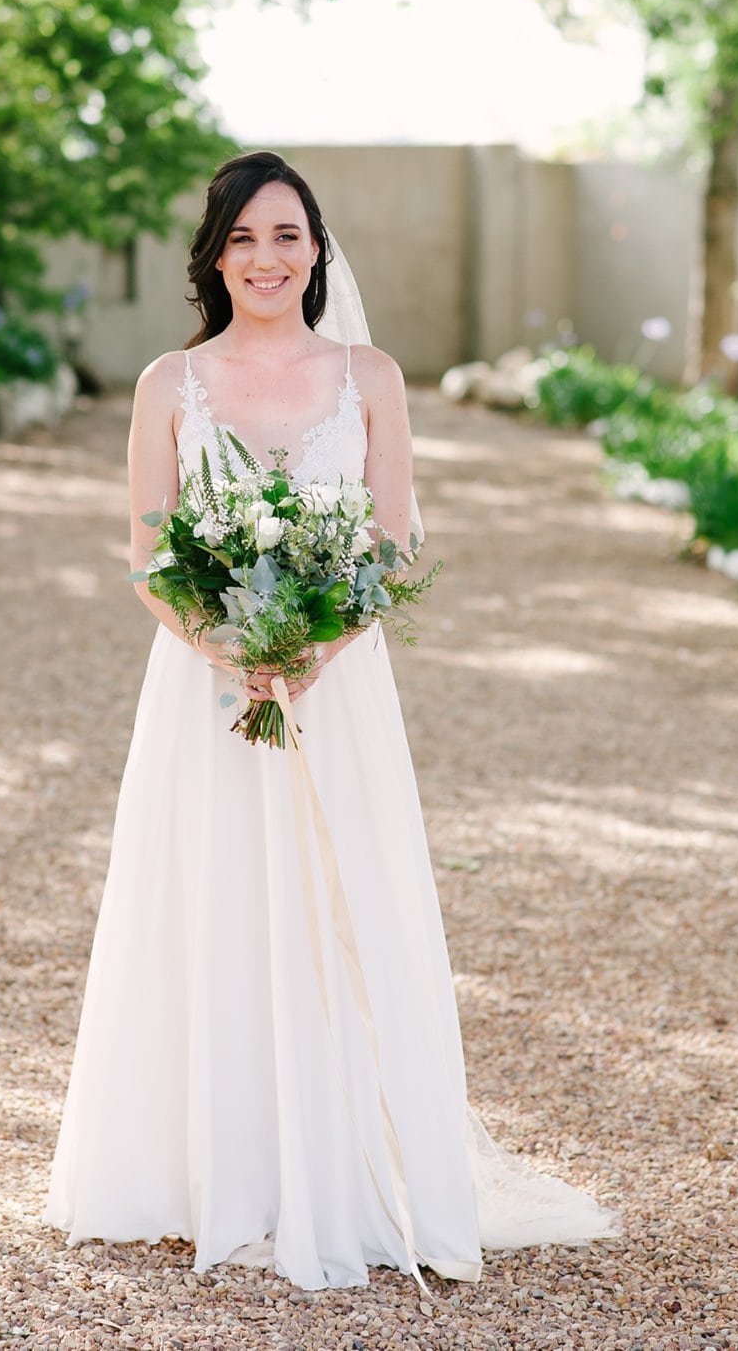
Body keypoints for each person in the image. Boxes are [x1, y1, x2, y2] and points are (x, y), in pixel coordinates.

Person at [43, 150, 622, 1292]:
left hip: (336, 684)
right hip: (203, 688)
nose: (267, 258)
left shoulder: (370, 376)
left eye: (288, 235)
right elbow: (147, 553)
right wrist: (226, 648)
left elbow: (393, 541)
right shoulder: (171, 382)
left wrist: (311, 649)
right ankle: (214, 1167)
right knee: (211, 897)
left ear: (318, 249)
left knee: (340, 892)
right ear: (214, 254)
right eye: (245, 238)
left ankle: (346, 1162)